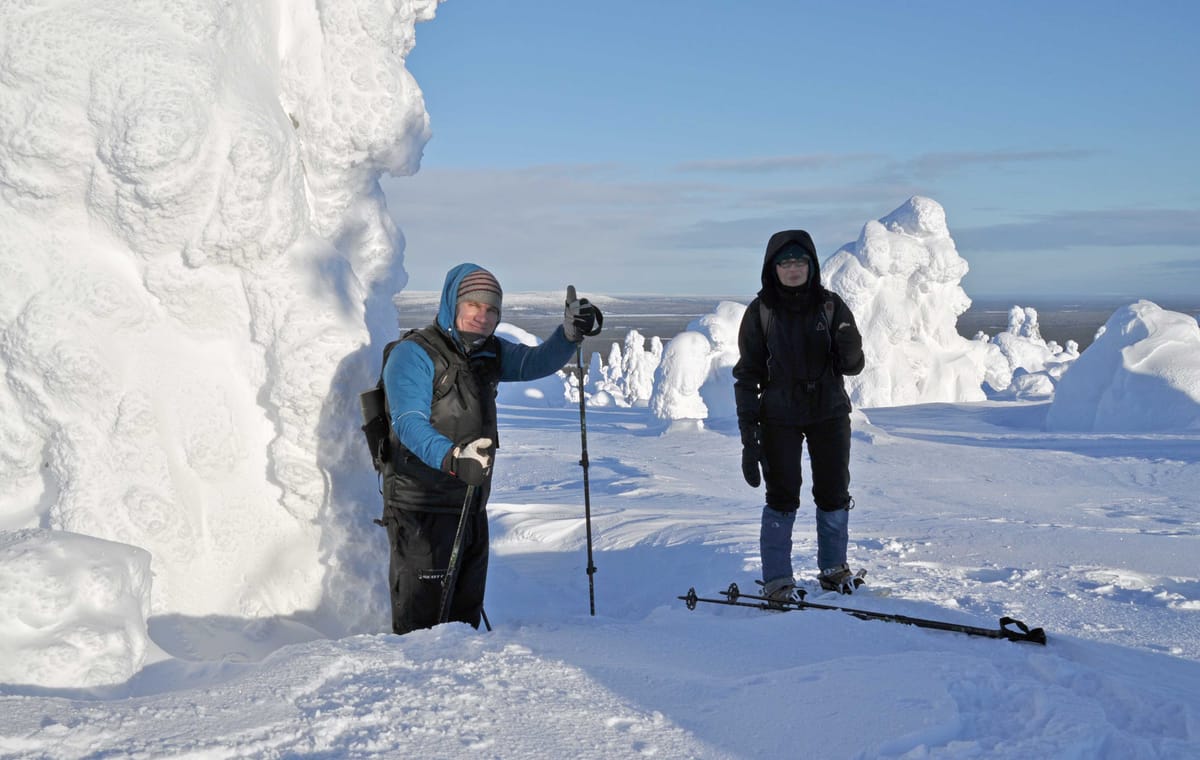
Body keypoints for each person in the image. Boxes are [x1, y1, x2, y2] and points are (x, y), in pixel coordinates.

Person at [380, 263, 599, 634]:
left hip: (471, 501)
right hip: (421, 507)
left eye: (493, 309)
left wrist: (567, 336)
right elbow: (408, 422)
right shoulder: (415, 354)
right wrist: (452, 458)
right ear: (453, 303)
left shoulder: (488, 352)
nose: (484, 316)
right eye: (474, 305)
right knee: (422, 626)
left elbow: (534, 362)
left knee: (463, 619)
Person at [732, 230, 865, 600]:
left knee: (834, 492)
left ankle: (834, 570)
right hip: (779, 417)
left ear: (812, 266)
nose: (793, 269)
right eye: (785, 263)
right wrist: (748, 435)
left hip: (829, 413)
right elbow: (746, 376)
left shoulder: (830, 305)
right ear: (772, 269)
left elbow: (852, 366)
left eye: (799, 262)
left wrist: (849, 340)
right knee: (782, 495)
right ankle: (777, 581)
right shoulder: (761, 312)